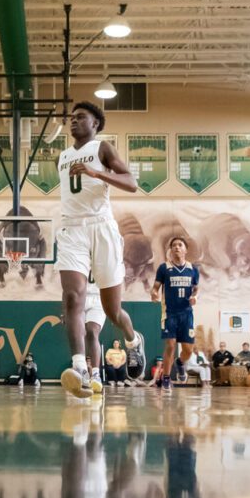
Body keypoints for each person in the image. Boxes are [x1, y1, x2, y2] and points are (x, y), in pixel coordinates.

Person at [54, 101, 145, 398]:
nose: (74, 121)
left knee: (112, 310)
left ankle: (133, 341)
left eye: (81, 117)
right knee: (71, 297)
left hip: (102, 227)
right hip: (72, 229)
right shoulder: (64, 156)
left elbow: (131, 183)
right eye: (72, 118)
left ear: (96, 123)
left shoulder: (102, 148)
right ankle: (80, 367)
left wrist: (97, 174)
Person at [149, 237, 199, 388]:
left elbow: (196, 287)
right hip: (169, 312)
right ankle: (166, 378)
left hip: (187, 313)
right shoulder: (164, 268)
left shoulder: (193, 269)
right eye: (174, 245)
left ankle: (180, 363)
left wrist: (195, 296)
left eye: (180, 245)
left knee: (188, 350)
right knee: (170, 345)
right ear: (170, 250)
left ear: (186, 249)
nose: (176, 247)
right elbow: (155, 287)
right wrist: (154, 293)